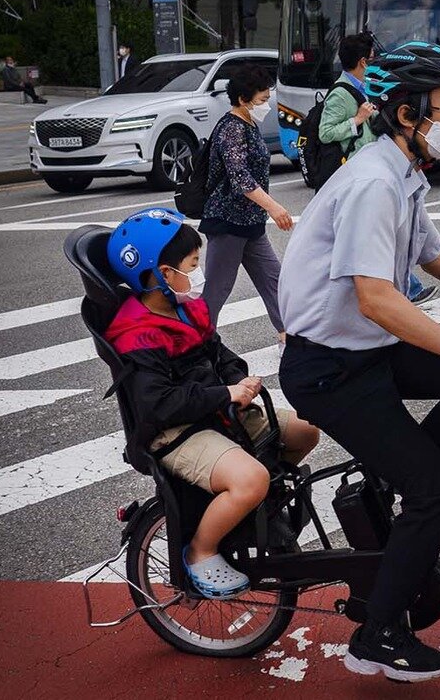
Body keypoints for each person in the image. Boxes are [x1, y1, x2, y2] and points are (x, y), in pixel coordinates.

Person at [277, 41, 440, 683]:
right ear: (408, 114)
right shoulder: (373, 183)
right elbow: (377, 299)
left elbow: (438, 256)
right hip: (329, 369)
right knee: (435, 490)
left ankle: (399, 479)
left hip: (367, 354)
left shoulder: (404, 174)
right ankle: (377, 636)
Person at [104, 207, 319, 598]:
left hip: (212, 410)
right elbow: (159, 405)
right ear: (165, 275)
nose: (199, 272)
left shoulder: (186, 308)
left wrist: (238, 379)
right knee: (250, 480)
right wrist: (224, 394)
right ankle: (200, 551)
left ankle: (258, 502)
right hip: (176, 431)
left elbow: (219, 354)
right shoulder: (138, 334)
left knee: (306, 432)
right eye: (193, 264)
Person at [318, 33, 435, 305]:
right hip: (354, 170)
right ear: (362, 61)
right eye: (371, 59)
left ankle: (407, 287)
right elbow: (325, 133)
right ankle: (405, 289)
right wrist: (357, 120)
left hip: (374, 164)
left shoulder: (364, 87)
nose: (374, 63)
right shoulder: (341, 93)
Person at [200, 64, 292, 341]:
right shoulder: (231, 128)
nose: (267, 104)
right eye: (263, 100)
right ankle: (195, 346)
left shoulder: (248, 123)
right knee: (216, 290)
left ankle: (290, 336)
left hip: (249, 222)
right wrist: (274, 207)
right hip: (228, 220)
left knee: (275, 282)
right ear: (243, 99)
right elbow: (240, 177)